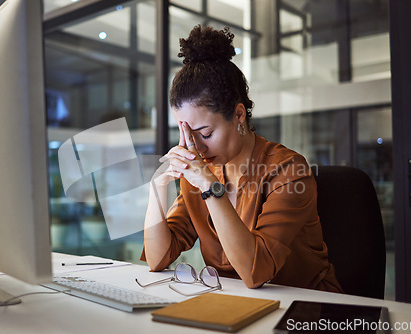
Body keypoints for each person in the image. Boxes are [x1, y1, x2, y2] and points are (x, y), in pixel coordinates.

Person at [141, 25, 343, 293]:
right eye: (187, 134)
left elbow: (255, 271)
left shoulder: (288, 169)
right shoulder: (201, 173)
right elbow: (157, 259)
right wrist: (158, 186)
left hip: (308, 308)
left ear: (238, 116)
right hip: (237, 304)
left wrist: (210, 188)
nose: (196, 148)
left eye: (205, 133)